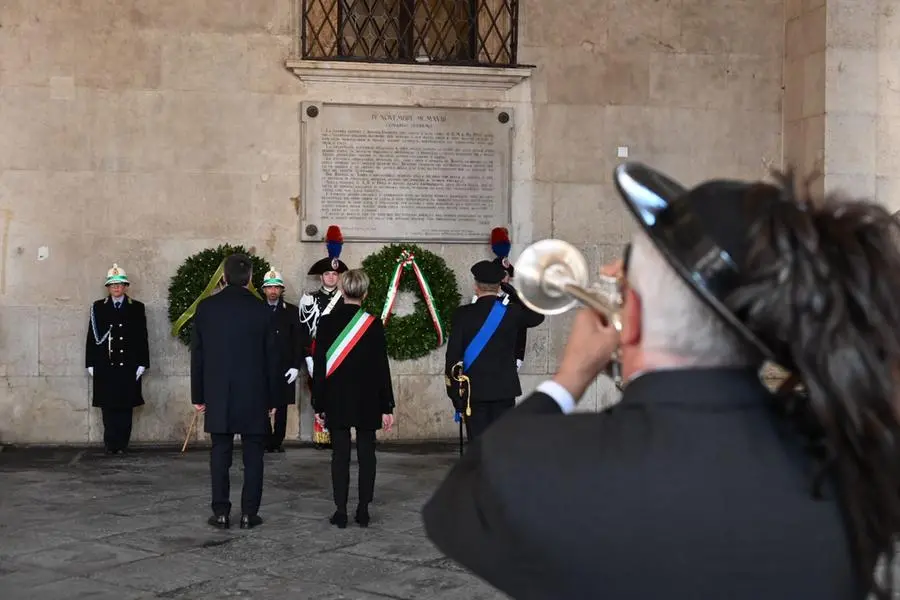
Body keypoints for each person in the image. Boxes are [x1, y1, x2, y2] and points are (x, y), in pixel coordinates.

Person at [423, 162, 900, 599]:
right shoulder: (850, 471)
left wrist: (568, 379)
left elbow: (457, 501)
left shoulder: (554, 469)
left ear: (630, 322)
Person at [191, 253, 279, 530]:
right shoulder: (263, 310)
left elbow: (198, 356)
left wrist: (198, 396)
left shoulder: (206, 308)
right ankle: (248, 514)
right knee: (253, 456)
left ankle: (220, 512)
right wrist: (273, 399)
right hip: (254, 395)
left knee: (220, 453)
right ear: (251, 279)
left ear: (224, 277)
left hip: (219, 393)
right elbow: (271, 360)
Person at [312, 269, 395, 529]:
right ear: (366, 293)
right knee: (367, 454)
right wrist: (387, 405)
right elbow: (382, 367)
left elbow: (320, 367)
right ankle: (363, 509)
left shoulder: (325, 323)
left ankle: (340, 510)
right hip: (368, 399)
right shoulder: (373, 324)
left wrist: (319, 404)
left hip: (337, 399)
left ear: (342, 291)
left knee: (340, 455)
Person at [446, 260, 544, 441]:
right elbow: (537, 316)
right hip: (504, 391)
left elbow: (452, 357)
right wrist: (516, 295)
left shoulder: (462, 314)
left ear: (476, 286)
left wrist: (454, 394)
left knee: (478, 446)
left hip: (474, 392)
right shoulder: (512, 313)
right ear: (500, 286)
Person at [85, 263, 149, 455]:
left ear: (125, 286)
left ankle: (122, 444)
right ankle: (110, 444)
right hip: (105, 365)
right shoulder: (98, 307)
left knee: (125, 407)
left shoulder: (136, 307)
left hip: (128, 365)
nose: (116, 288)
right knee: (108, 407)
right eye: (112, 284)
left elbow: (142, 336)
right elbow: (91, 336)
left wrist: (142, 362)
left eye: (119, 284)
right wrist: (90, 362)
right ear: (108, 287)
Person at [299, 225, 348, 449]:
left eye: (334, 274)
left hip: (340, 352)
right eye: (327, 273)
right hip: (318, 354)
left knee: (339, 394)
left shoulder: (346, 299)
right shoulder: (310, 299)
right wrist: (309, 357)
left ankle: (338, 432)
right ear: (322, 276)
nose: (331, 277)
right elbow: (305, 330)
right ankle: (321, 435)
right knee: (319, 393)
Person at [261, 269, 303, 453]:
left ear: (281, 289)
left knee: (282, 406)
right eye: (269, 287)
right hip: (262, 366)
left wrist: (295, 366)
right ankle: (265, 439)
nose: (272, 291)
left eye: (276, 287)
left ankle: (277, 441)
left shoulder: (291, 311)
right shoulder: (256, 310)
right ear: (263, 290)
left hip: (284, 366)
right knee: (260, 404)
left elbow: (298, 341)